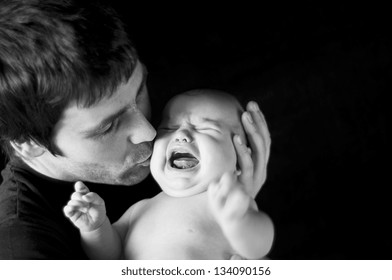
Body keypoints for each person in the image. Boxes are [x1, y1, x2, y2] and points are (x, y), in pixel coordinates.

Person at [0, 0, 270, 259]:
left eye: (140, 92)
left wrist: (240, 213)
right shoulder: (27, 252)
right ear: (29, 144)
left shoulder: (185, 105)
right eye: (107, 126)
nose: (151, 132)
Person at [64, 90, 273, 259]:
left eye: (206, 129)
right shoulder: (140, 209)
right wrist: (96, 227)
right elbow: (110, 254)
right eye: (168, 128)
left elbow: (259, 246)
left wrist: (239, 221)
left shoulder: (226, 204)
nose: (181, 135)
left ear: (239, 157)